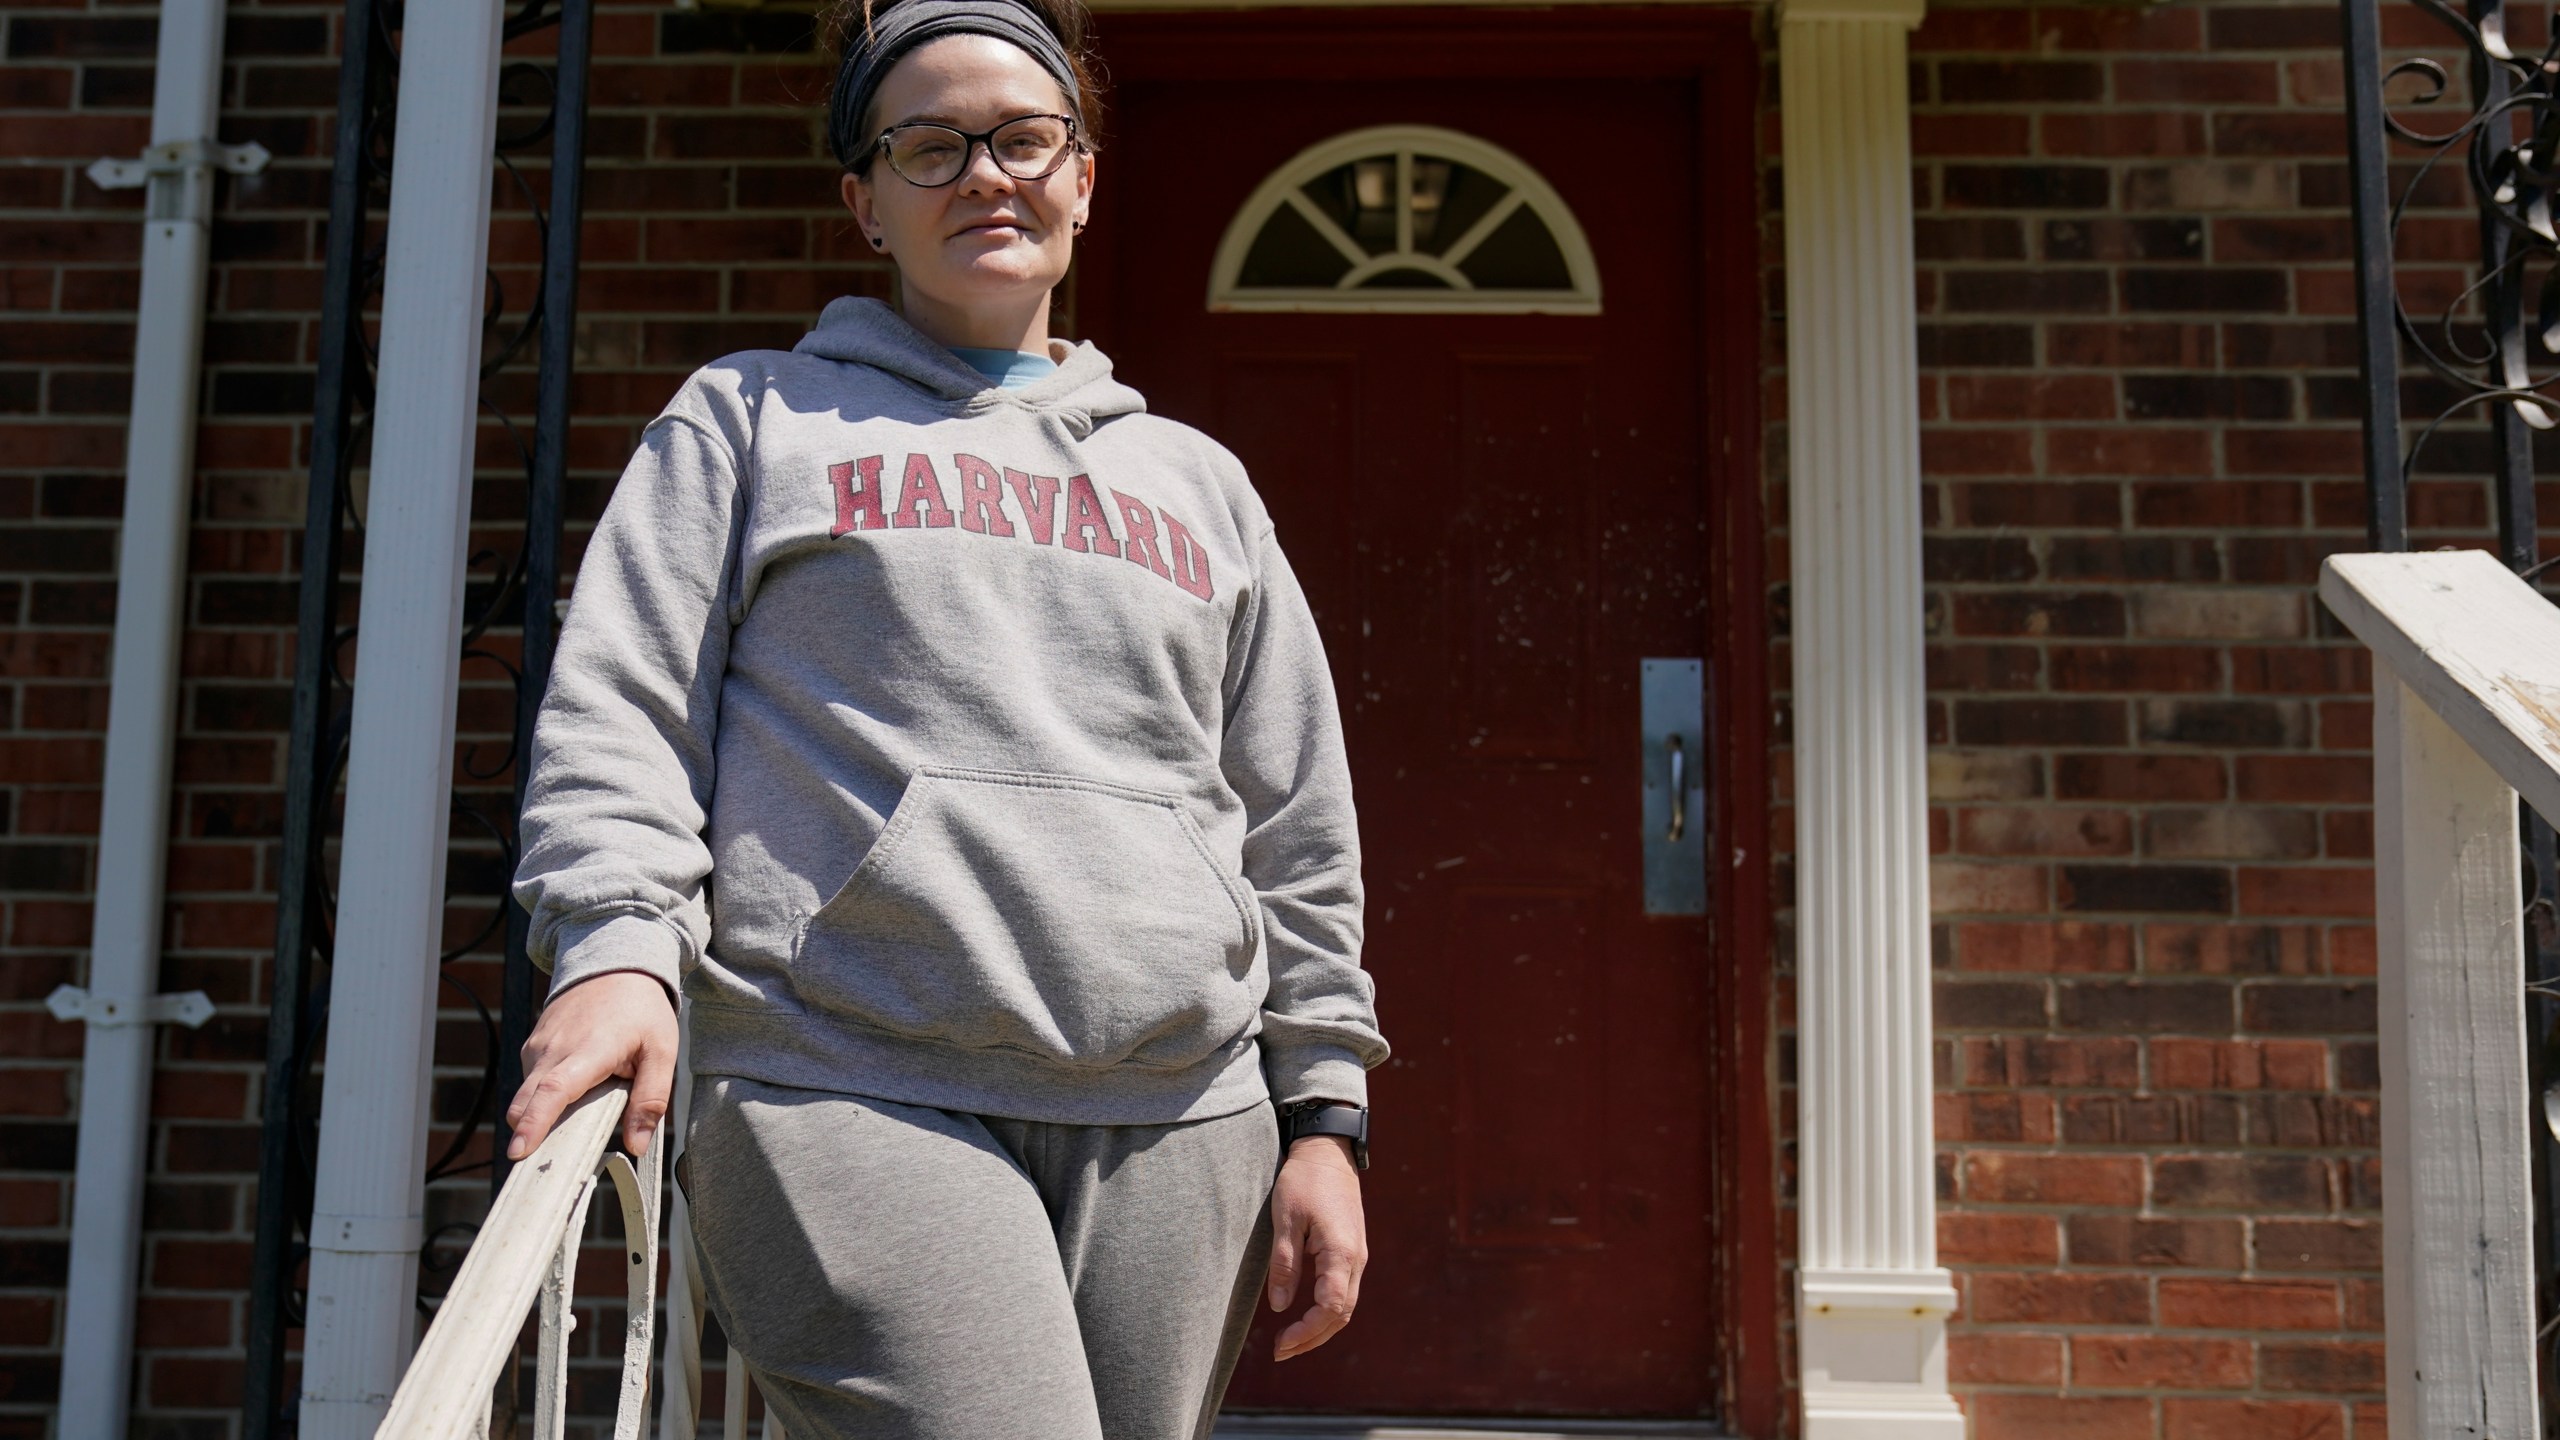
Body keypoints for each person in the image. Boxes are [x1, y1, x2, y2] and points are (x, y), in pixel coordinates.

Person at [500, 0, 1388, 1435]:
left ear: (1083, 180)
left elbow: (1293, 813)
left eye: (1026, 137)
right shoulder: (752, 423)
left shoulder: (1197, 482)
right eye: (930, 146)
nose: (987, 172)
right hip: (848, 1080)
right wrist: (617, 949)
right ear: (864, 201)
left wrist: (1324, 1111)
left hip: (1182, 1115)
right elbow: (623, 712)